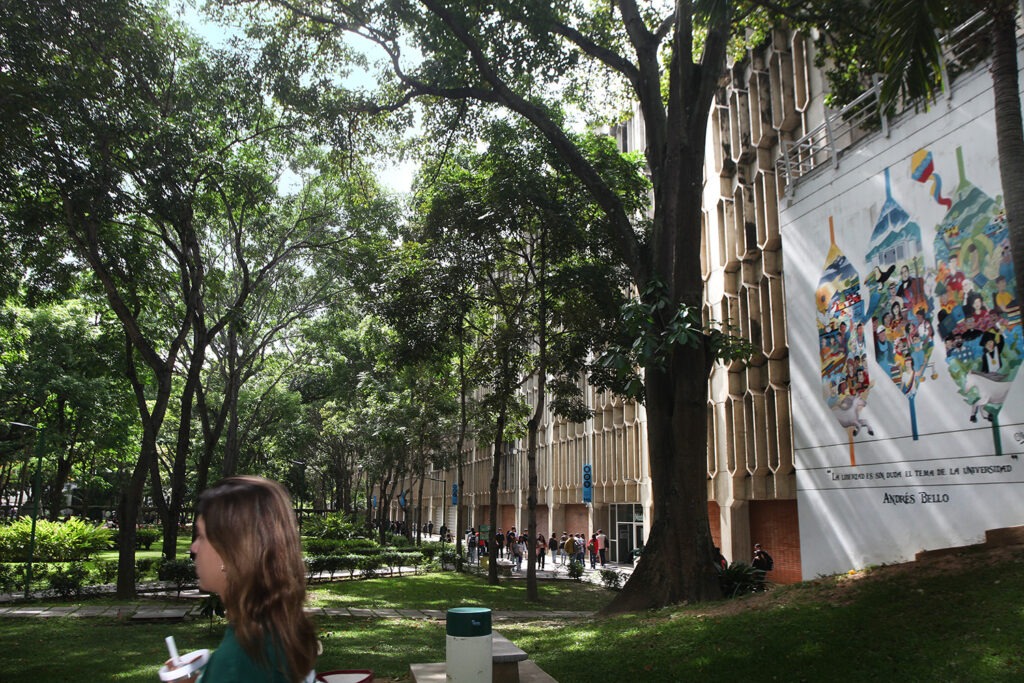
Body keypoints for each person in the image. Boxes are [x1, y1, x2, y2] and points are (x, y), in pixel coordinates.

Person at [169, 476, 318, 682]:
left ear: (231, 554)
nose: (193, 548)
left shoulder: (239, 660)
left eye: (201, 536)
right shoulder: (273, 631)